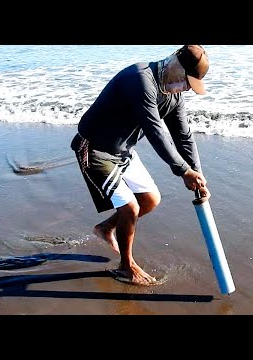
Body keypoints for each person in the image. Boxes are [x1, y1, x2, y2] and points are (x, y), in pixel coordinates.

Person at [71, 45, 211, 286]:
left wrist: (197, 174)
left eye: (190, 84)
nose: (185, 88)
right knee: (129, 208)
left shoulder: (173, 94)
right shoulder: (140, 78)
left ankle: (105, 228)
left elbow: (183, 136)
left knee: (150, 199)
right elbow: (154, 130)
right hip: (94, 149)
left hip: (122, 150)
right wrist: (182, 170)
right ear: (173, 65)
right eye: (185, 81)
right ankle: (126, 266)